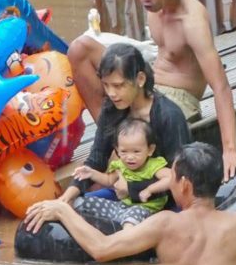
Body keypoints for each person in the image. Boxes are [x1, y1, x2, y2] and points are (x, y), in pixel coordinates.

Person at [67, 0, 236, 181]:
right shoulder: (154, 6)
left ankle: (124, 146)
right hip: (150, 80)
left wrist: (229, 150)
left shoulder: (192, 21)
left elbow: (221, 86)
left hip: (179, 97)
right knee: (79, 50)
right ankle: (115, 139)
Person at [24, 142, 236, 265]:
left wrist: (63, 210)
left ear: (186, 186)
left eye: (173, 177)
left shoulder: (166, 224)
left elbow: (102, 249)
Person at [58, 42, 191, 206]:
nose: (111, 93)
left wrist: (132, 188)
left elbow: (181, 177)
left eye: (118, 85)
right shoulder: (112, 109)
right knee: (77, 205)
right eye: (106, 85)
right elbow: (97, 159)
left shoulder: (168, 116)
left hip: (161, 202)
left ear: (140, 79)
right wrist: (68, 195)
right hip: (124, 195)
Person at [72, 118, 172, 228]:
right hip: (122, 207)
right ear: (117, 150)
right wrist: (91, 173)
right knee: (79, 202)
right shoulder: (120, 165)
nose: (130, 157)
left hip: (145, 211)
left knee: (130, 220)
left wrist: (150, 189)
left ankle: (126, 239)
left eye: (136, 151)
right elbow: (108, 180)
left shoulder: (153, 165)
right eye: (124, 151)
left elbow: (170, 177)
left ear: (150, 150)